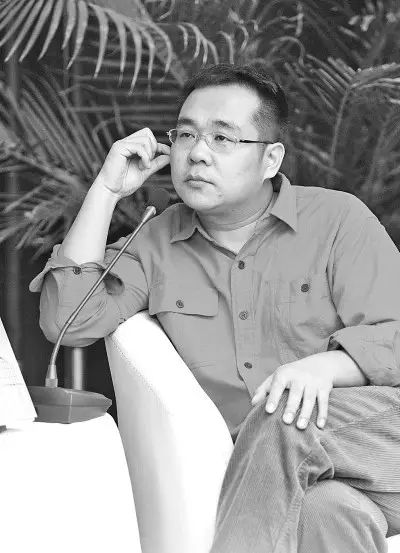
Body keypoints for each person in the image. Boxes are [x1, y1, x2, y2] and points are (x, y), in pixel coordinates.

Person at [30, 63, 400, 553]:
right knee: (327, 512)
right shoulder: (155, 244)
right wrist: (105, 191)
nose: (197, 153)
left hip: (384, 442)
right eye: (185, 135)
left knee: (282, 416)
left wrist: (325, 367)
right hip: (287, 476)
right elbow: (67, 322)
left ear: (270, 159)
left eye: (222, 138)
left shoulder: (337, 219)